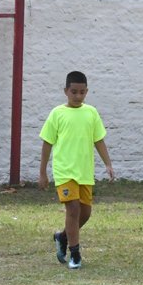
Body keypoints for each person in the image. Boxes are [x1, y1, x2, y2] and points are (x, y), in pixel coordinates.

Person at [38, 70, 114, 269]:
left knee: (85, 213)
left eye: (82, 92)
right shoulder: (57, 114)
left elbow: (98, 140)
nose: (78, 96)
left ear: (86, 91)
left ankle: (62, 237)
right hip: (64, 172)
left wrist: (108, 163)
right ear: (66, 91)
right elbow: (47, 143)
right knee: (72, 209)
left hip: (84, 173)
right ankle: (75, 254)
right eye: (74, 92)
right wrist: (43, 172)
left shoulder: (91, 113)